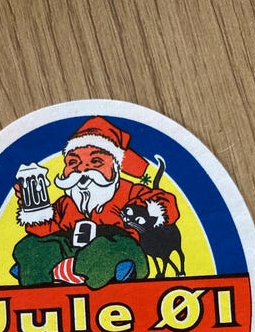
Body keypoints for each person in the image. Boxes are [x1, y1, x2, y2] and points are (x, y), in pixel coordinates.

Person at [12, 116, 180, 289]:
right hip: (71, 248)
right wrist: (35, 211)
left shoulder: (128, 191)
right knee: (31, 245)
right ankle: (35, 278)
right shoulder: (66, 201)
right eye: (73, 162)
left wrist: (141, 209)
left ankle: (116, 271)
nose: (82, 169)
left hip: (115, 246)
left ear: (115, 166)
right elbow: (46, 230)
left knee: (109, 247)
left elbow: (166, 203)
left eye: (95, 161)